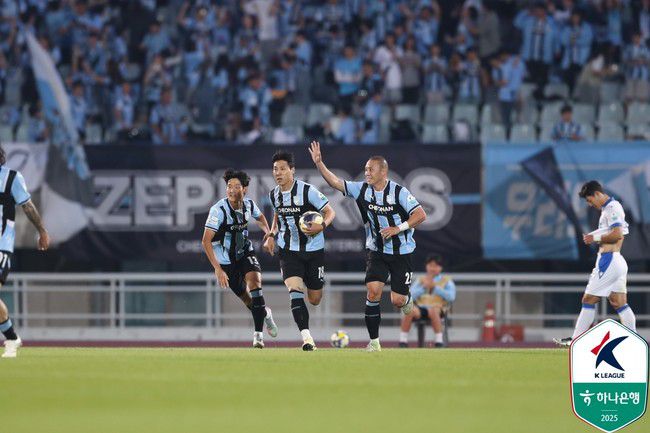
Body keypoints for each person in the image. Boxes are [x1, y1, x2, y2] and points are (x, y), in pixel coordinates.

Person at [309, 141, 427, 352]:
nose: (366, 173)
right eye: (365, 169)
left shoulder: (399, 192)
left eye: (371, 169)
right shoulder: (361, 189)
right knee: (373, 292)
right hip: (377, 251)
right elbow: (336, 182)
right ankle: (374, 342)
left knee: (397, 300)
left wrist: (397, 228)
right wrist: (319, 164)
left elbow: (420, 214)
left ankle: (407, 298)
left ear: (383, 172)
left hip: (402, 252)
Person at [262, 151, 336, 351]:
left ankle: (307, 332)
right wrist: (271, 234)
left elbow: (330, 212)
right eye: (275, 169)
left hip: (314, 251)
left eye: (282, 169)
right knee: (295, 291)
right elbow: (278, 215)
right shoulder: (273, 194)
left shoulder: (307, 191)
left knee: (314, 299)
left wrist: (322, 225)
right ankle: (307, 338)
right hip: (289, 251)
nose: (278, 173)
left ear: (292, 170)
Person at [201, 169, 278, 349]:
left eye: (236, 186)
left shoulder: (249, 205)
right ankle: (266, 314)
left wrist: (268, 234)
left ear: (244, 189)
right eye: (229, 186)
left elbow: (260, 218)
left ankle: (258, 337)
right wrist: (218, 269)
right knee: (248, 300)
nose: (231, 190)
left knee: (255, 285)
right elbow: (205, 241)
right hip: (225, 261)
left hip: (245, 252)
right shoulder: (218, 210)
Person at [554, 181, 636, 347]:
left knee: (588, 299)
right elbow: (615, 232)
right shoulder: (608, 209)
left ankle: (575, 341)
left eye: (590, 200)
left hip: (609, 261)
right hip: (616, 260)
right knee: (619, 302)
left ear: (597, 194)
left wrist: (595, 238)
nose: (590, 204)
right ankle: (635, 342)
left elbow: (617, 234)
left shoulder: (612, 208)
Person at [0, 146, 50, 358]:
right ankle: (12, 337)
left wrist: (42, 231)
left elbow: (28, 206)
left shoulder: (11, 177)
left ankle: (12, 338)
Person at [399, 254, 456, 348]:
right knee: (409, 310)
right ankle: (403, 341)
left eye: (435, 266)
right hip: (421, 308)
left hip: (438, 309)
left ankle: (439, 341)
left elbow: (451, 297)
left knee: (433, 311)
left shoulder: (447, 281)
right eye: (430, 265)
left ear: (440, 268)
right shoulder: (421, 280)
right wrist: (423, 288)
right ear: (426, 266)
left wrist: (435, 288)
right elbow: (410, 295)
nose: (432, 268)